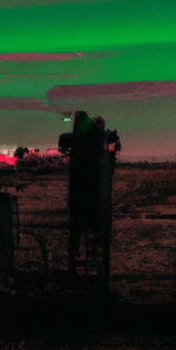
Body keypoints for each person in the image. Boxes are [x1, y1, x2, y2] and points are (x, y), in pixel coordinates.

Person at [64, 110, 120, 286]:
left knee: (77, 231)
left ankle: (75, 263)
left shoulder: (78, 142)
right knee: (98, 234)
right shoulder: (99, 142)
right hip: (97, 196)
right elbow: (107, 166)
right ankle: (98, 267)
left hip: (79, 195)